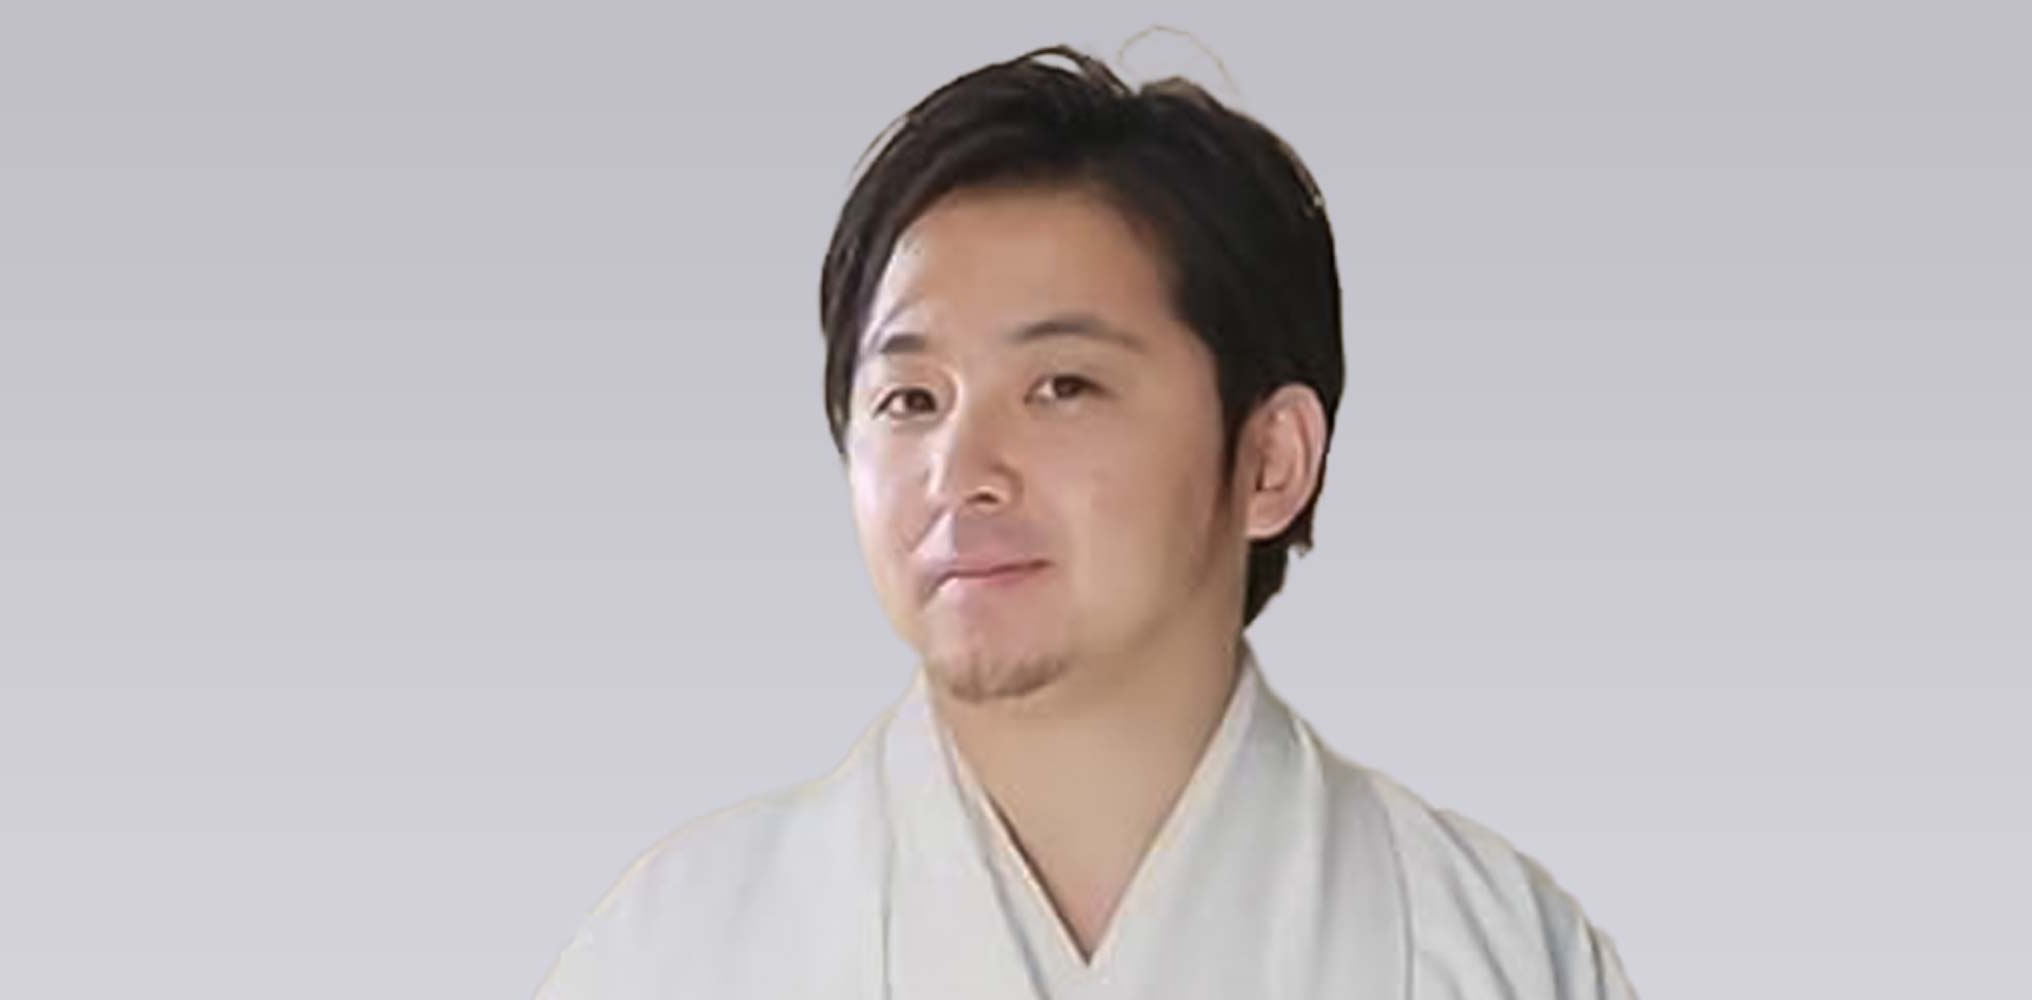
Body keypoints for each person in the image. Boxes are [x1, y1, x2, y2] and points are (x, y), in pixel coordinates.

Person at [534, 42, 1638, 999]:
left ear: (1271, 459)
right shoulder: (677, 949)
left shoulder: (1488, 951)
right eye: (909, 400)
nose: (960, 473)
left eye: (1062, 386)